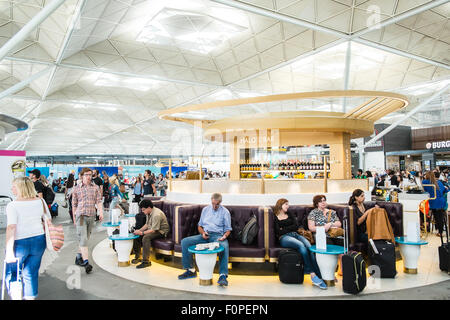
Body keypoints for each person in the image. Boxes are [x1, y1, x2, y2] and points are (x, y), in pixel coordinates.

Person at [5, 177, 49, 300]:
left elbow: (11, 228)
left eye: (14, 186)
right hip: (39, 241)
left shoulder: (13, 205)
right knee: (31, 273)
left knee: (13, 274)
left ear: (20, 188)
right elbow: (47, 219)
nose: (12, 188)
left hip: (19, 243)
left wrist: (9, 252)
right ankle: (30, 297)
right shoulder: (41, 201)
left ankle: (16, 296)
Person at [178, 193, 232, 287]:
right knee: (185, 242)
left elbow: (228, 229)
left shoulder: (225, 212)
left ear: (220, 203)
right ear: (211, 201)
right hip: (204, 235)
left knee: (224, 246)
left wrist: (224, 236)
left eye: (217, 204)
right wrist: (202, 233)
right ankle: (191, 270)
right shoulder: (205, 210)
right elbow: (200, 226)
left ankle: (223, 276)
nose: (215, 206)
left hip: (217, 236)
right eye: (213, 203)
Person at [273, 198, 326, 289]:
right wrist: (288, 229)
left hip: (296, 234)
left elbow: (296, 226)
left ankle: (320, 275)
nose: (288, 206)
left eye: (288, 204)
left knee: (310, 248)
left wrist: (284, 229)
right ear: (280, 205)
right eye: (286, 204)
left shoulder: (289, 213)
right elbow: (278, 231)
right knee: (301, 245)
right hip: (284, 238)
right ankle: (311, 273)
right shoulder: (275, 216)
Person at [71, 167, 104, 273]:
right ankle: (86, 262)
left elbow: (98, 201)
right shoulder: (76, 188)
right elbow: (74, 204)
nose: (89, 177)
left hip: (91, 216)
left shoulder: (95, 187)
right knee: (84, 239)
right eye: (86, 175)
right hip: (80, 216)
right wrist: (74, 217)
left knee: (85, 239)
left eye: (90, 174)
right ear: (81, 176)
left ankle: (78, 257)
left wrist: (101, 212)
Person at [307, 194, 343, 277]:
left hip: (333, 234)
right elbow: (311, 228)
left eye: (324, 200)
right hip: (321, 235)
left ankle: (341, 269)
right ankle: (329, 273)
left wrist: (330, 224)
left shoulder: (331, 212)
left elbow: (339, 224)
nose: (323, 203)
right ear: (316, 204)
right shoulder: (313, 213)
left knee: (342, 243)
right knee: (328, 245)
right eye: (320, 201)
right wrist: (323, 228)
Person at [131, 199, 170, 269]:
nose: (142, 212)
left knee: (146, 237)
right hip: (153, 229)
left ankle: (146, 261)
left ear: (149, 208)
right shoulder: (148, 212)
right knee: (136, 236)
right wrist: (138, 231)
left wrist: (142, 233)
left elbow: (154, 230)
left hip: (161, 232)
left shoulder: (156, 214)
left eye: (143, 210)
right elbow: (147, 225)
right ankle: (138, 257)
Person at [423, 171, 448, 237]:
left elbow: (423, 191)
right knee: (440, 217)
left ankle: (427, 227)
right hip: (441, 202)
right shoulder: (439, 182)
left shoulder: (425, 182)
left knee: (433, 215)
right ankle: (440, 231)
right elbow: (445, 190)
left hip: (433, 202)